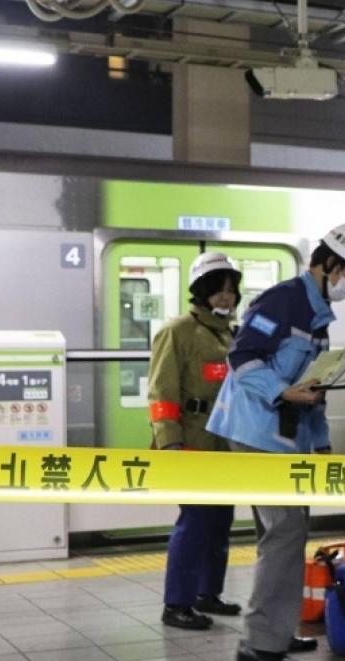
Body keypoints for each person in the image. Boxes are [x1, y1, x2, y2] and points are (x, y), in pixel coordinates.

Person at [207, 223, 345, 661]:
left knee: (285, 532)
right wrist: (283, 392)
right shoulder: (283, 299)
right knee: (284, 532)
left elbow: (311, 389)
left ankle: (275, 631)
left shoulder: (318, 318)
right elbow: (242, 357)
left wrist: (321, 446)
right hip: (253, 431)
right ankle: (261, 643)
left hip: (284, 439)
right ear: (329, 265)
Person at [152, 252, 245, 631]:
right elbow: (161, 391)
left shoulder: (233, 334)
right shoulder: (177, 331)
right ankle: (176, 603)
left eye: (231, 292)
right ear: (202, 291)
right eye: (219, 291)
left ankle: (208, 593)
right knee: (195, 521)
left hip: (225, 440)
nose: (226, 299)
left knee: (220, 520)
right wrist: (169, 442)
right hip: (191, 440)